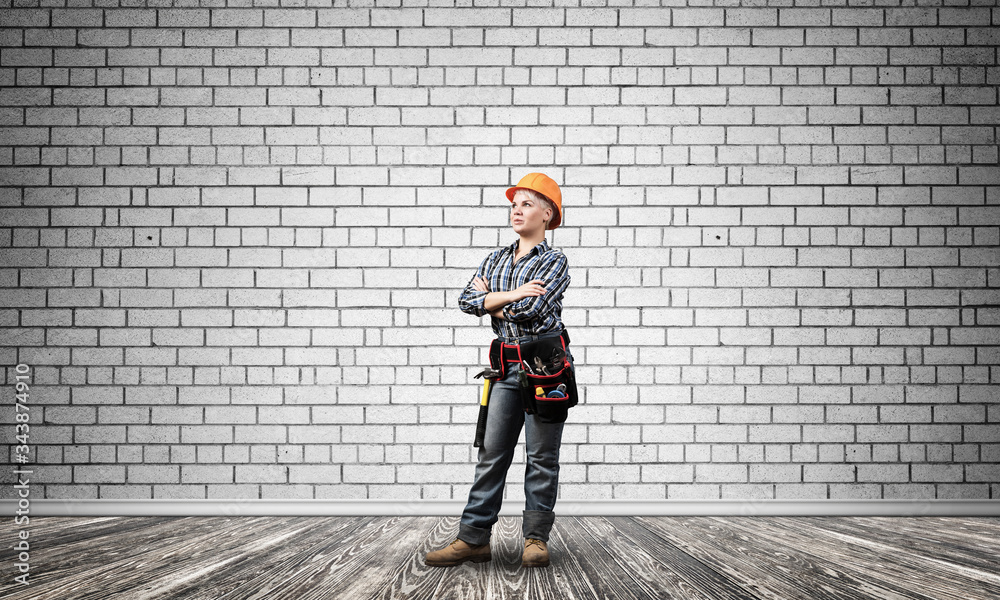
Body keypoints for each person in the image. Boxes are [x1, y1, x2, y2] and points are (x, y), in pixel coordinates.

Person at [424, 172, 574, 569]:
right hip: (504, 365)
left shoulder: (556, 261)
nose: (517, 210)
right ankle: (473, 539)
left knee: (542, 456)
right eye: (513, 204)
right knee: (492, 454)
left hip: (546, 368)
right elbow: (465, 300)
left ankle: (535, 540)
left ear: (548, 214)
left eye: (526, 204)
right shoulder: (494, 258)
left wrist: (491, 299)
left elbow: (531, 310)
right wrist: (511, 295)